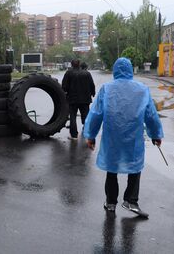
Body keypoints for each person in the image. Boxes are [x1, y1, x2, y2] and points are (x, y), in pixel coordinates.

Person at [83, 57, 163, 217]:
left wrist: (90, 135)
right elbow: (151, 115)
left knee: (112, 169)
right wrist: (156, 134)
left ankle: (111, 202)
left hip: (112, 137)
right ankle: (131, 201)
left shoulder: (107, 89)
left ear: (114, 70)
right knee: (135, 166)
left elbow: (96, 113)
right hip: (133, 137)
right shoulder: (142, 89)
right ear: (130, 70)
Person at [62, 59, 96, 139]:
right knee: (86, 116)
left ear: (71, 65)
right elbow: (92, 85)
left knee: (73, 117)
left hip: (72, 99)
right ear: (79, 64)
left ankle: (74, 135)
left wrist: (66, 92)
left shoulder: (68, 73)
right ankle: (87, 131)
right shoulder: (87, 73)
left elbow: (64, 86)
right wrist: (92, 93)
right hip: (85, 99)